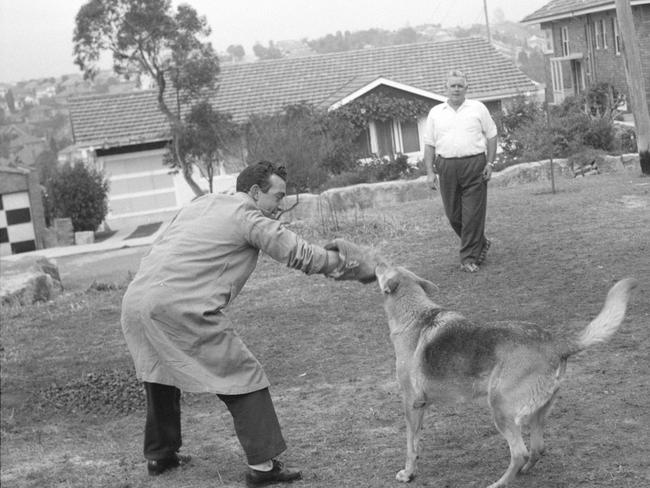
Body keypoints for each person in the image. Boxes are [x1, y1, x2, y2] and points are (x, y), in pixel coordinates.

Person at [120, 161, 376, 486]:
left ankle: (160, 455)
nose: (279, 206)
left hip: (136, 300)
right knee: (244, 375)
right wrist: (353, 266)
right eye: (277, 196)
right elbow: (299, 254)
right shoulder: (248, 216)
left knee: (160, 372)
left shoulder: (203, 203)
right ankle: (263, 467)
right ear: (255, 192)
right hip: (179, 306)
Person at [423, 69, 498, 273]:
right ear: (445, 88)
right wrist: (430, 172)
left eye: (460, 85)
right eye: (452, 85)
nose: (456, 89)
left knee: (473, 213)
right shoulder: (436, 113)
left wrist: (490, 163)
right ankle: (479, 242)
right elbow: (429, 144)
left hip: (474, 165)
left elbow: (491, 135)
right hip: (446, 167)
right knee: (453, 215)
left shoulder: (478, 108)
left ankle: (468, 258)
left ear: (467, 88)